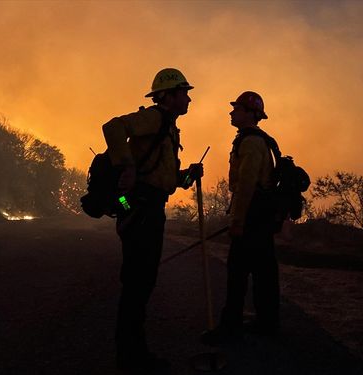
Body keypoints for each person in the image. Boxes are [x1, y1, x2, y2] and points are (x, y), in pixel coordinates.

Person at [102, 68, 203, 371]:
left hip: (151, 208)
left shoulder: (170, 127)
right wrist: (127, 166)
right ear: (168, 96)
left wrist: (187, 176)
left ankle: (133, 352)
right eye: (184, 93)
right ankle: (131, 358)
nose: (188, 98)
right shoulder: (156, 118)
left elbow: (165, 177)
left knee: (142, 282)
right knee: (138, 282)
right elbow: (113, 127)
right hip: (142, 209)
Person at [201, 91, 280, 345]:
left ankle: (230, 326)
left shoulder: (251, 142)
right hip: (261, 217)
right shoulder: (254, 141)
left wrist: (237, 222)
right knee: (263, 271)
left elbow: (246, 185)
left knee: (238, 271)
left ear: (250, 114)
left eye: (237, 109)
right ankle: (267, 323)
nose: (232, 112)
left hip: (252, 217)